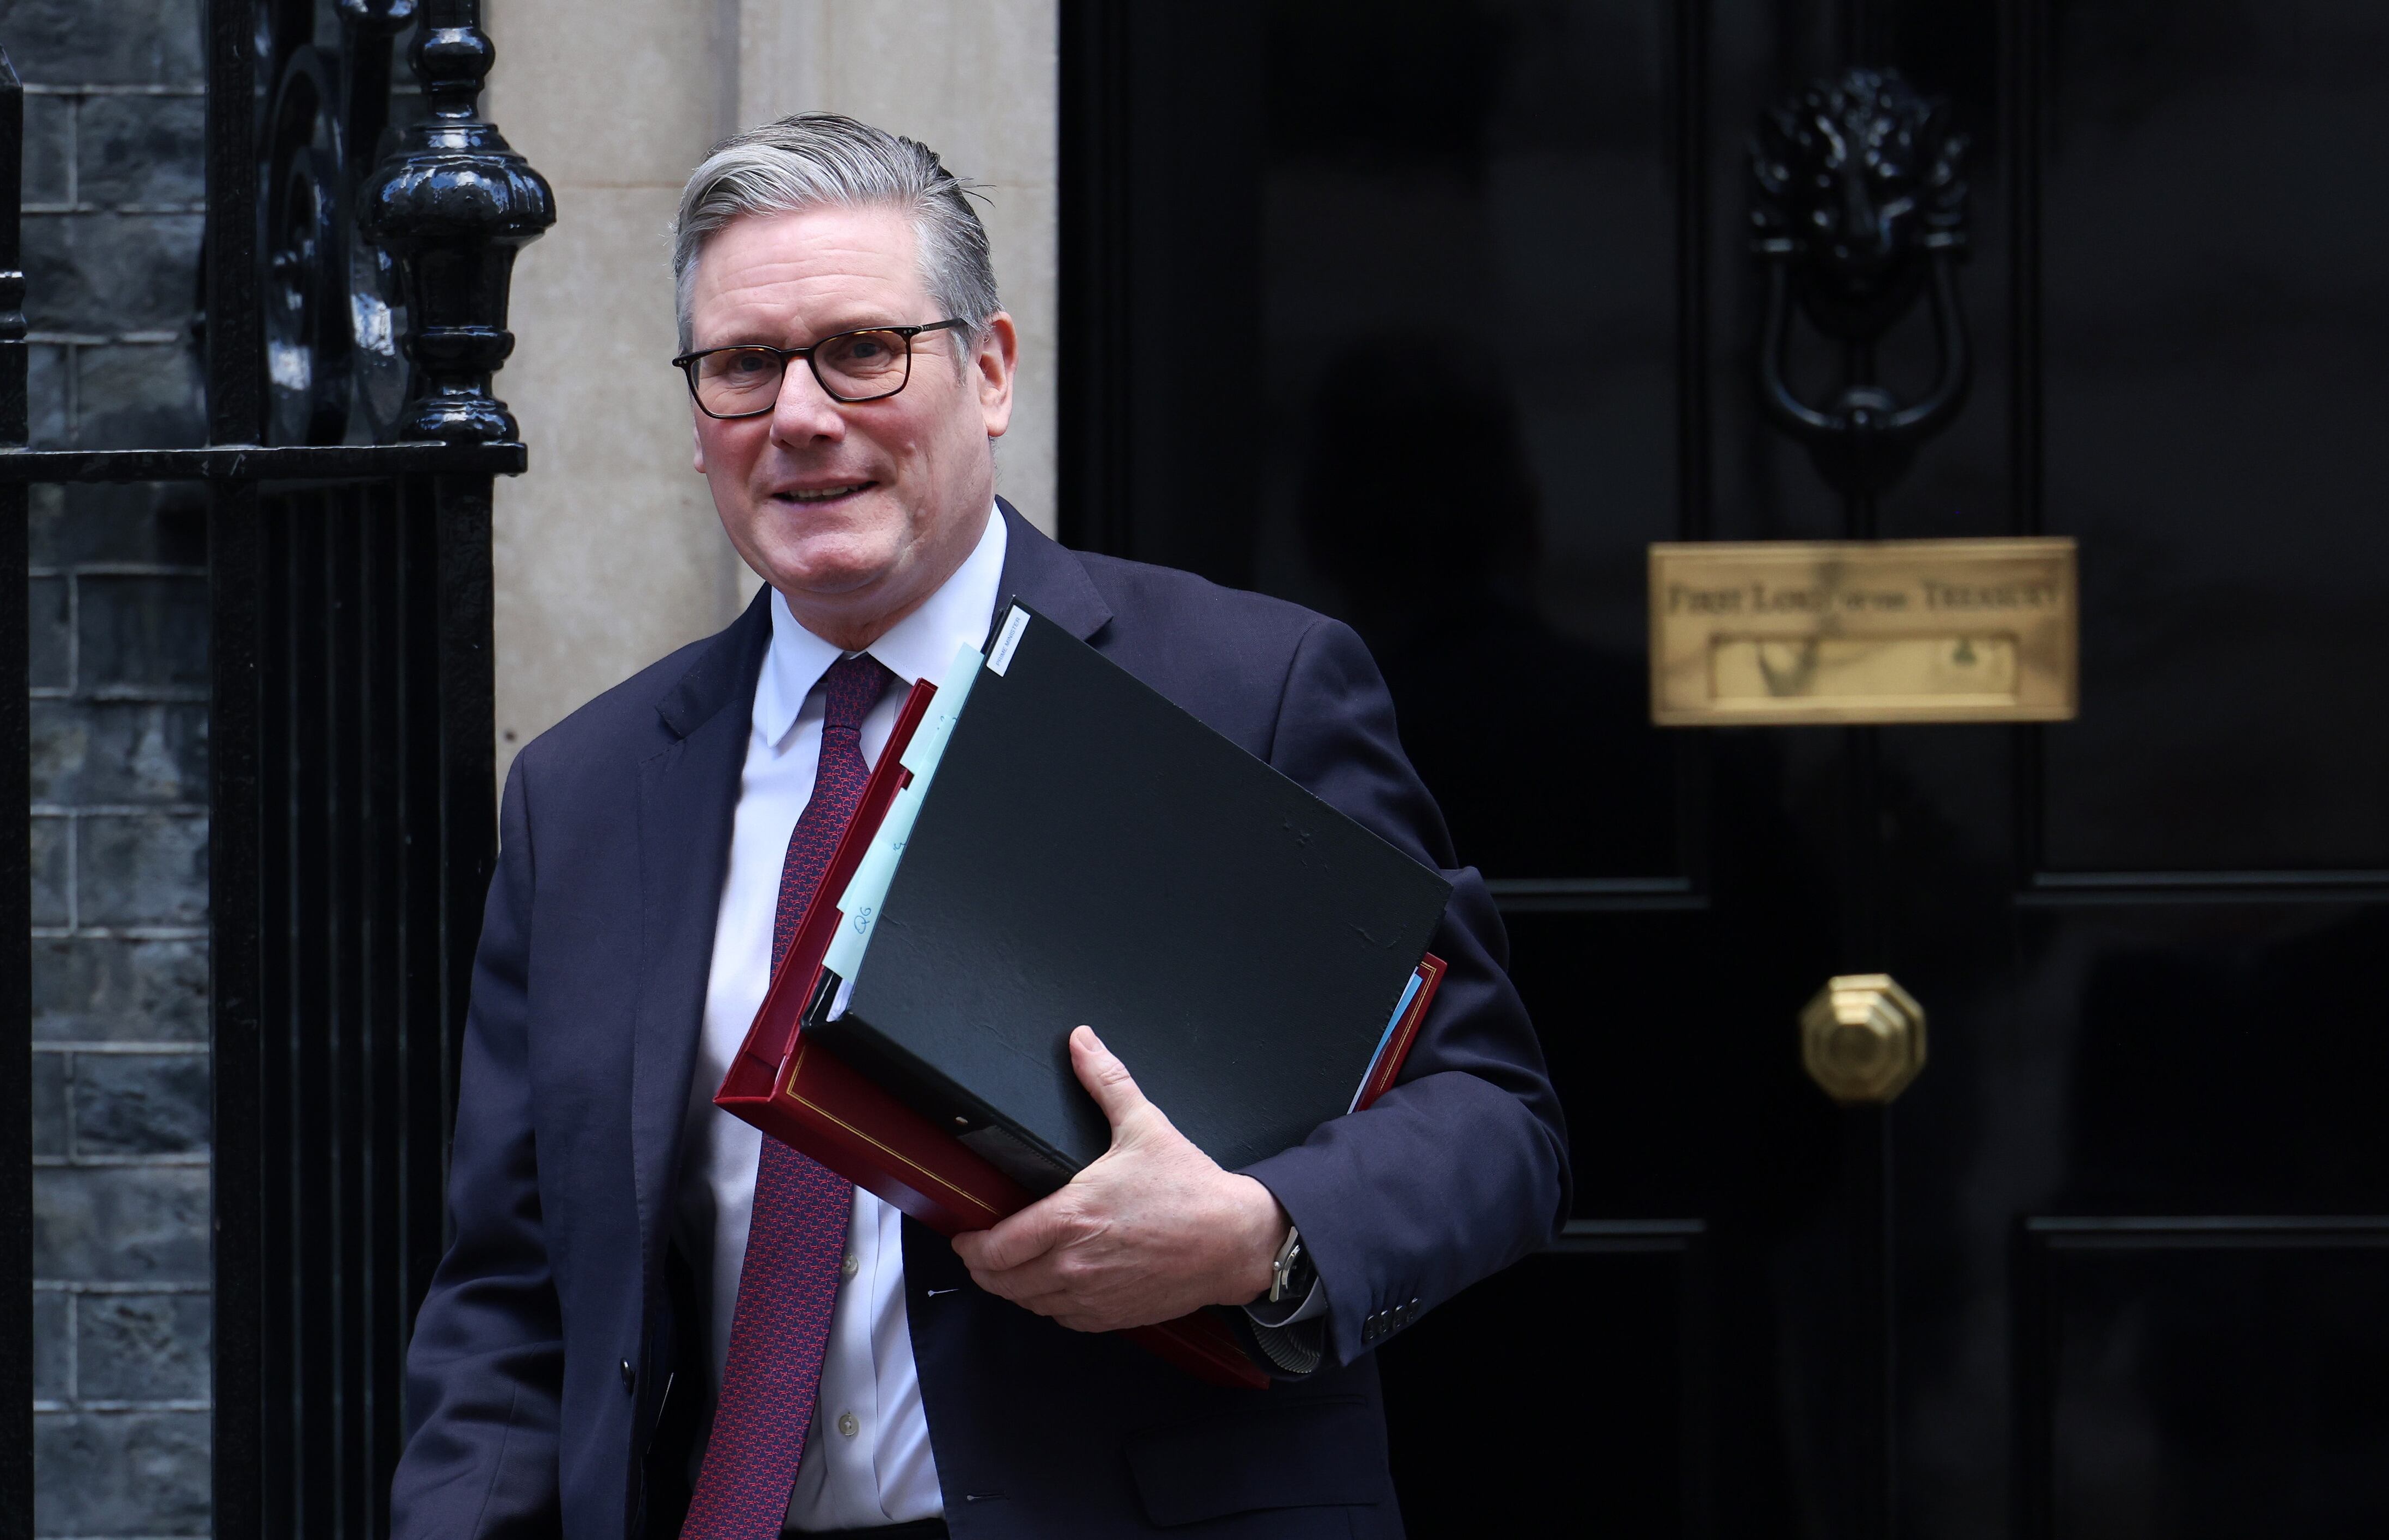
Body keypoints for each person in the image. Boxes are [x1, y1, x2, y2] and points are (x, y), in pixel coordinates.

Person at [390, 113, 1568, 1540]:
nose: (802, 415)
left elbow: (1495, 1121)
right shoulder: (587, 793)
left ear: (992, 369)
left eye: (863, 351)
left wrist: (1259, 1238)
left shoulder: (1242, 690)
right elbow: (512, 1305)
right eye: (745, 366)